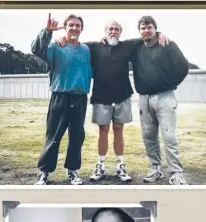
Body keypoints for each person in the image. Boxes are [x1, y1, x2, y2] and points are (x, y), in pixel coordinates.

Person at [67, 21, 168, 183]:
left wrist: (160, 33)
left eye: (116, 29)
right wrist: (61, 39)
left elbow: (146, 35)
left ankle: (121, 167)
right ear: (105, 31)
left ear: (120, 32)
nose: (113, 31)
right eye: (110, 29)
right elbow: (74, 43)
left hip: (123, 95)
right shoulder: (94, 47)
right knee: (103, 131)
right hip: (101, 96)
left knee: (119, 129)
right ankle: (100, 167)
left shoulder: (127, 46)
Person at [31, 13, 92, 186]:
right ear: (65, 27)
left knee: (77, 136)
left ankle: (72, 171)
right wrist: (47, 31)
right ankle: (44, 172)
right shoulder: (56, 47)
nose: (74, 28)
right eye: (71, 25)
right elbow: (37, 49)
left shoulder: (85, 49)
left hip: (79, 98)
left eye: (77, 25)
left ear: (82, 29)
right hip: (60, 96)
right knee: (53, 136)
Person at [132, 16, 190, 185]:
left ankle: (176, 173)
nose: (146, 31)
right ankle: (155, 169)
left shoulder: (167, 44)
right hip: (144, 98)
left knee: (169, 136)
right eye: (143, 28)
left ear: (155, 29)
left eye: (149, 27)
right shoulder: (136, 48)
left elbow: (183, 67)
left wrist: (171, 83)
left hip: (165, 96)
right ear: (139, 31)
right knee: (148, 136)